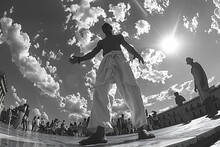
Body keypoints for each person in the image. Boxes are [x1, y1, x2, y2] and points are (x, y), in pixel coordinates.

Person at [69, 22, 155, 145]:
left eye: (107, 27)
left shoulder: (118, 37)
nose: (105, 29)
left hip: (120, 61)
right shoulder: (101, 43)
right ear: (103, 31)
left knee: (131, 89)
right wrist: (79, 59)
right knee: (101, 92)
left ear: (111, 28)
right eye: (103, 28)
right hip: (106, 63)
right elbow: (93, 54)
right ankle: (99, 133)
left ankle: (141, 129)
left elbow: (127, 46)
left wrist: (136, 54)